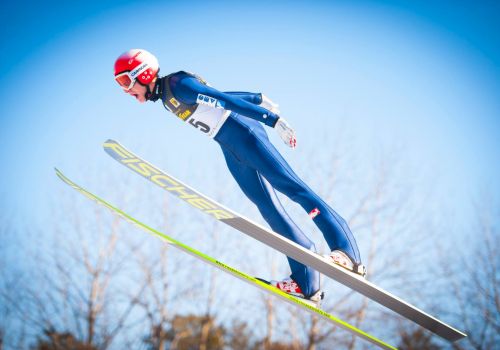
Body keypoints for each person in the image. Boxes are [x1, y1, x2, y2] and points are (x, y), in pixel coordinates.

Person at [114, 49, 366, 306]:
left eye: (125, 82)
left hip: (245, 134)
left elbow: (222, 101)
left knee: (294, 189)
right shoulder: (168, 97)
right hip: (229, 146)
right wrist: (256, 97)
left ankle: (348, 253)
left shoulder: (177, 84)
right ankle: (306, 282)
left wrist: (272, 119)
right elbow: (221, 97)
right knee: (268, 209)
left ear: (142, 73)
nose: (125, 90)